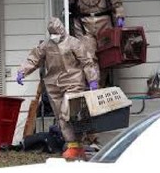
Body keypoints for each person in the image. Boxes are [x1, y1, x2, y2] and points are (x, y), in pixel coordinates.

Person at [16, 17, 99, 159]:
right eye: (52, 33)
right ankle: (73, 145)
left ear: (62, 30)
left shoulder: (73, 43)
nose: (55, 36)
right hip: (53, 84)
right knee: (60, 116)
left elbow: (86, 62)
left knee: (68, 112)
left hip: (73, 81)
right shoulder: (47, 45)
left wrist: (92, 80)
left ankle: (78, 143)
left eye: (57, 32)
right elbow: (34, 59)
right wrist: (22, 71)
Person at [69, 0, 125, 88]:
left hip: (104, 25)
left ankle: (102, 84)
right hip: (85, 27)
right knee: (89, 56)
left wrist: (120, 17)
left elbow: (117, 4)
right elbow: (68, 6)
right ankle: (93, 83)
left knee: (105, 56)